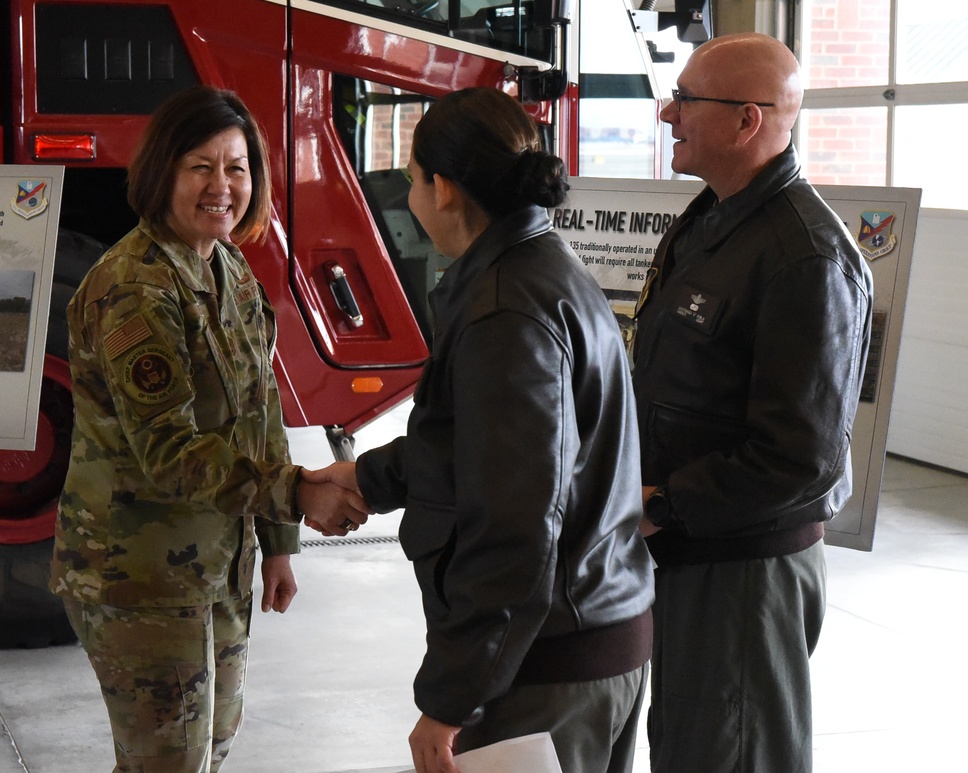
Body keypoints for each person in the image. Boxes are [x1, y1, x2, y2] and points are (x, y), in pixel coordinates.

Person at [307, 87, 655, 773]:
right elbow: (485, 447)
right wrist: (370, 478)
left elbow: (516, 521)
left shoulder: (506, 310)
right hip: (586, 636)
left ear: (444, 189)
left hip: (547, 663)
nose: (409, 196)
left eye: (410, 180)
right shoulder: (539, 266)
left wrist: (452, 696)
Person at [49, 85, 370, 773]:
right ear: (163, 169)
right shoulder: (134, 287)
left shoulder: (228, 271)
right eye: (201, 166)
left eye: (237, 167)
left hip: (215, 567)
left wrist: (279, 543)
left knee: (207, 751)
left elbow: (260, 411)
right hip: (141, 579)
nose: (222, 185)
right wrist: (300, 494)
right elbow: (171, 454)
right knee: (165, 763)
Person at [631, 33, 874, 773]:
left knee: (732, 755)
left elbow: (799, 457)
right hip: (689, 552)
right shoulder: (711, 221)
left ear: (747, 121)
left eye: (687, 100)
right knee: (687, 748)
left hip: (743, 573)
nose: (669, 114)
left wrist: (667, 502)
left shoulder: (806, 256)